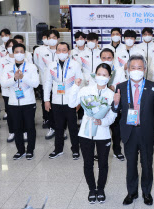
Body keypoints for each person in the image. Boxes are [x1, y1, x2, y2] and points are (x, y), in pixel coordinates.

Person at [112, 55, 154, 206]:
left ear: (145, 70)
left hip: (146, 131)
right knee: (131, 164)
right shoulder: (121, 87)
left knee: (147, 164)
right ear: (127, 69)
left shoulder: (153, 86)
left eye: (139, 68)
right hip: (129, 132)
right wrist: (115, 103)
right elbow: (116, 110)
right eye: (133, 68)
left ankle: (146, 193)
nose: (136, 71)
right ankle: (132, 192)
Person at [69, 63, 117, 204]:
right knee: (88, 163)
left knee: (103, 163)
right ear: (95, 75)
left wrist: (102, 122)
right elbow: (72, 104)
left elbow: (113, 116)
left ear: (109, 77)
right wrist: (75, 86)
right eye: (99, 74)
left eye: (105, 75)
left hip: (103, 132)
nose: (101, 77)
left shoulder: (111, 94)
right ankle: (91, 188)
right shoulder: (85, 90)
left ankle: (100, 189)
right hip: (86, 132)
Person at [44, 42, 83, 160]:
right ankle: (58, 149)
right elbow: (47, 83)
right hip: (56, 101)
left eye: (64, 50)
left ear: (69, 52)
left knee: (73, 127)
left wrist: (78, 101)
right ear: (56, 52)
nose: (61, 53)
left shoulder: (75, 65)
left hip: (70, 102)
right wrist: (46, 100)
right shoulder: (51, 65)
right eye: (59, 50)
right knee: (58, 127)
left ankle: (75, 150)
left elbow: (80, 83)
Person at [0, 43, 39, 160]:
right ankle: (20, 150)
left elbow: (35, 83)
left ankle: (30, 150)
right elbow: (3, 83)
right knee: (16, 127)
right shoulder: (7, 67)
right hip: (13, 102)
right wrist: (14, 78)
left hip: (28, 102)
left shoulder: (31, 67)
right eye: (16, 52)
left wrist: (23, 77)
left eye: (21, 51)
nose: (19, 54)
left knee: (30, 127)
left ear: (25, 53)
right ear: (12, 53)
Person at [100, 48, 126, 160]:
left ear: (113, 58)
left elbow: (123, 85)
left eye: (109, 58)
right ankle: (100, 151)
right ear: (100, 58)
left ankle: (117, 150)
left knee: (116, 129)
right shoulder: (97, 70)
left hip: (116, 103)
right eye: (104, 58)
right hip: (101, 104)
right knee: (102, 128)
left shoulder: (119, 70)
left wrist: (113, 88)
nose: (106, 60)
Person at [38, 30, 60, 139]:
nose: (52, 39)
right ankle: (52, 127)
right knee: (49, 106)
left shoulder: (62, 51)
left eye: (54, 37)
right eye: (49, 37)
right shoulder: (42, 52)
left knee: (59, 107)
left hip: (60, 85)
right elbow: (41, 66)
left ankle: (61, 129)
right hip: (47, 84)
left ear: (58, 39)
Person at [0, 39, 19, 142]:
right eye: (9, 46)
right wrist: (7, 83)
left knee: (20, 112)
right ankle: (12, 132)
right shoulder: (2, 61)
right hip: (7, 91)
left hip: (20, 90)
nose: (11, 48)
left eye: (13, 45)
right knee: (10, 112)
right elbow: (0, 75)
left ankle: (23, 131)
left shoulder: (22, 59)